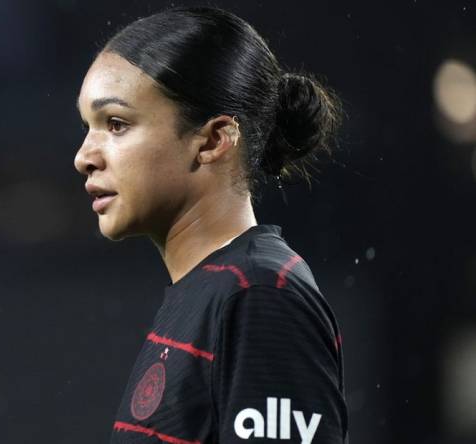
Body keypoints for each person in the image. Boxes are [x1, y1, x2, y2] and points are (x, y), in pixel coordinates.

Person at [73, 6, 348, 444]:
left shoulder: (258, 294)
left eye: (117, 124)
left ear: (213, 140)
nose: (84, 156)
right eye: (89, 127)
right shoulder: (212, 292)